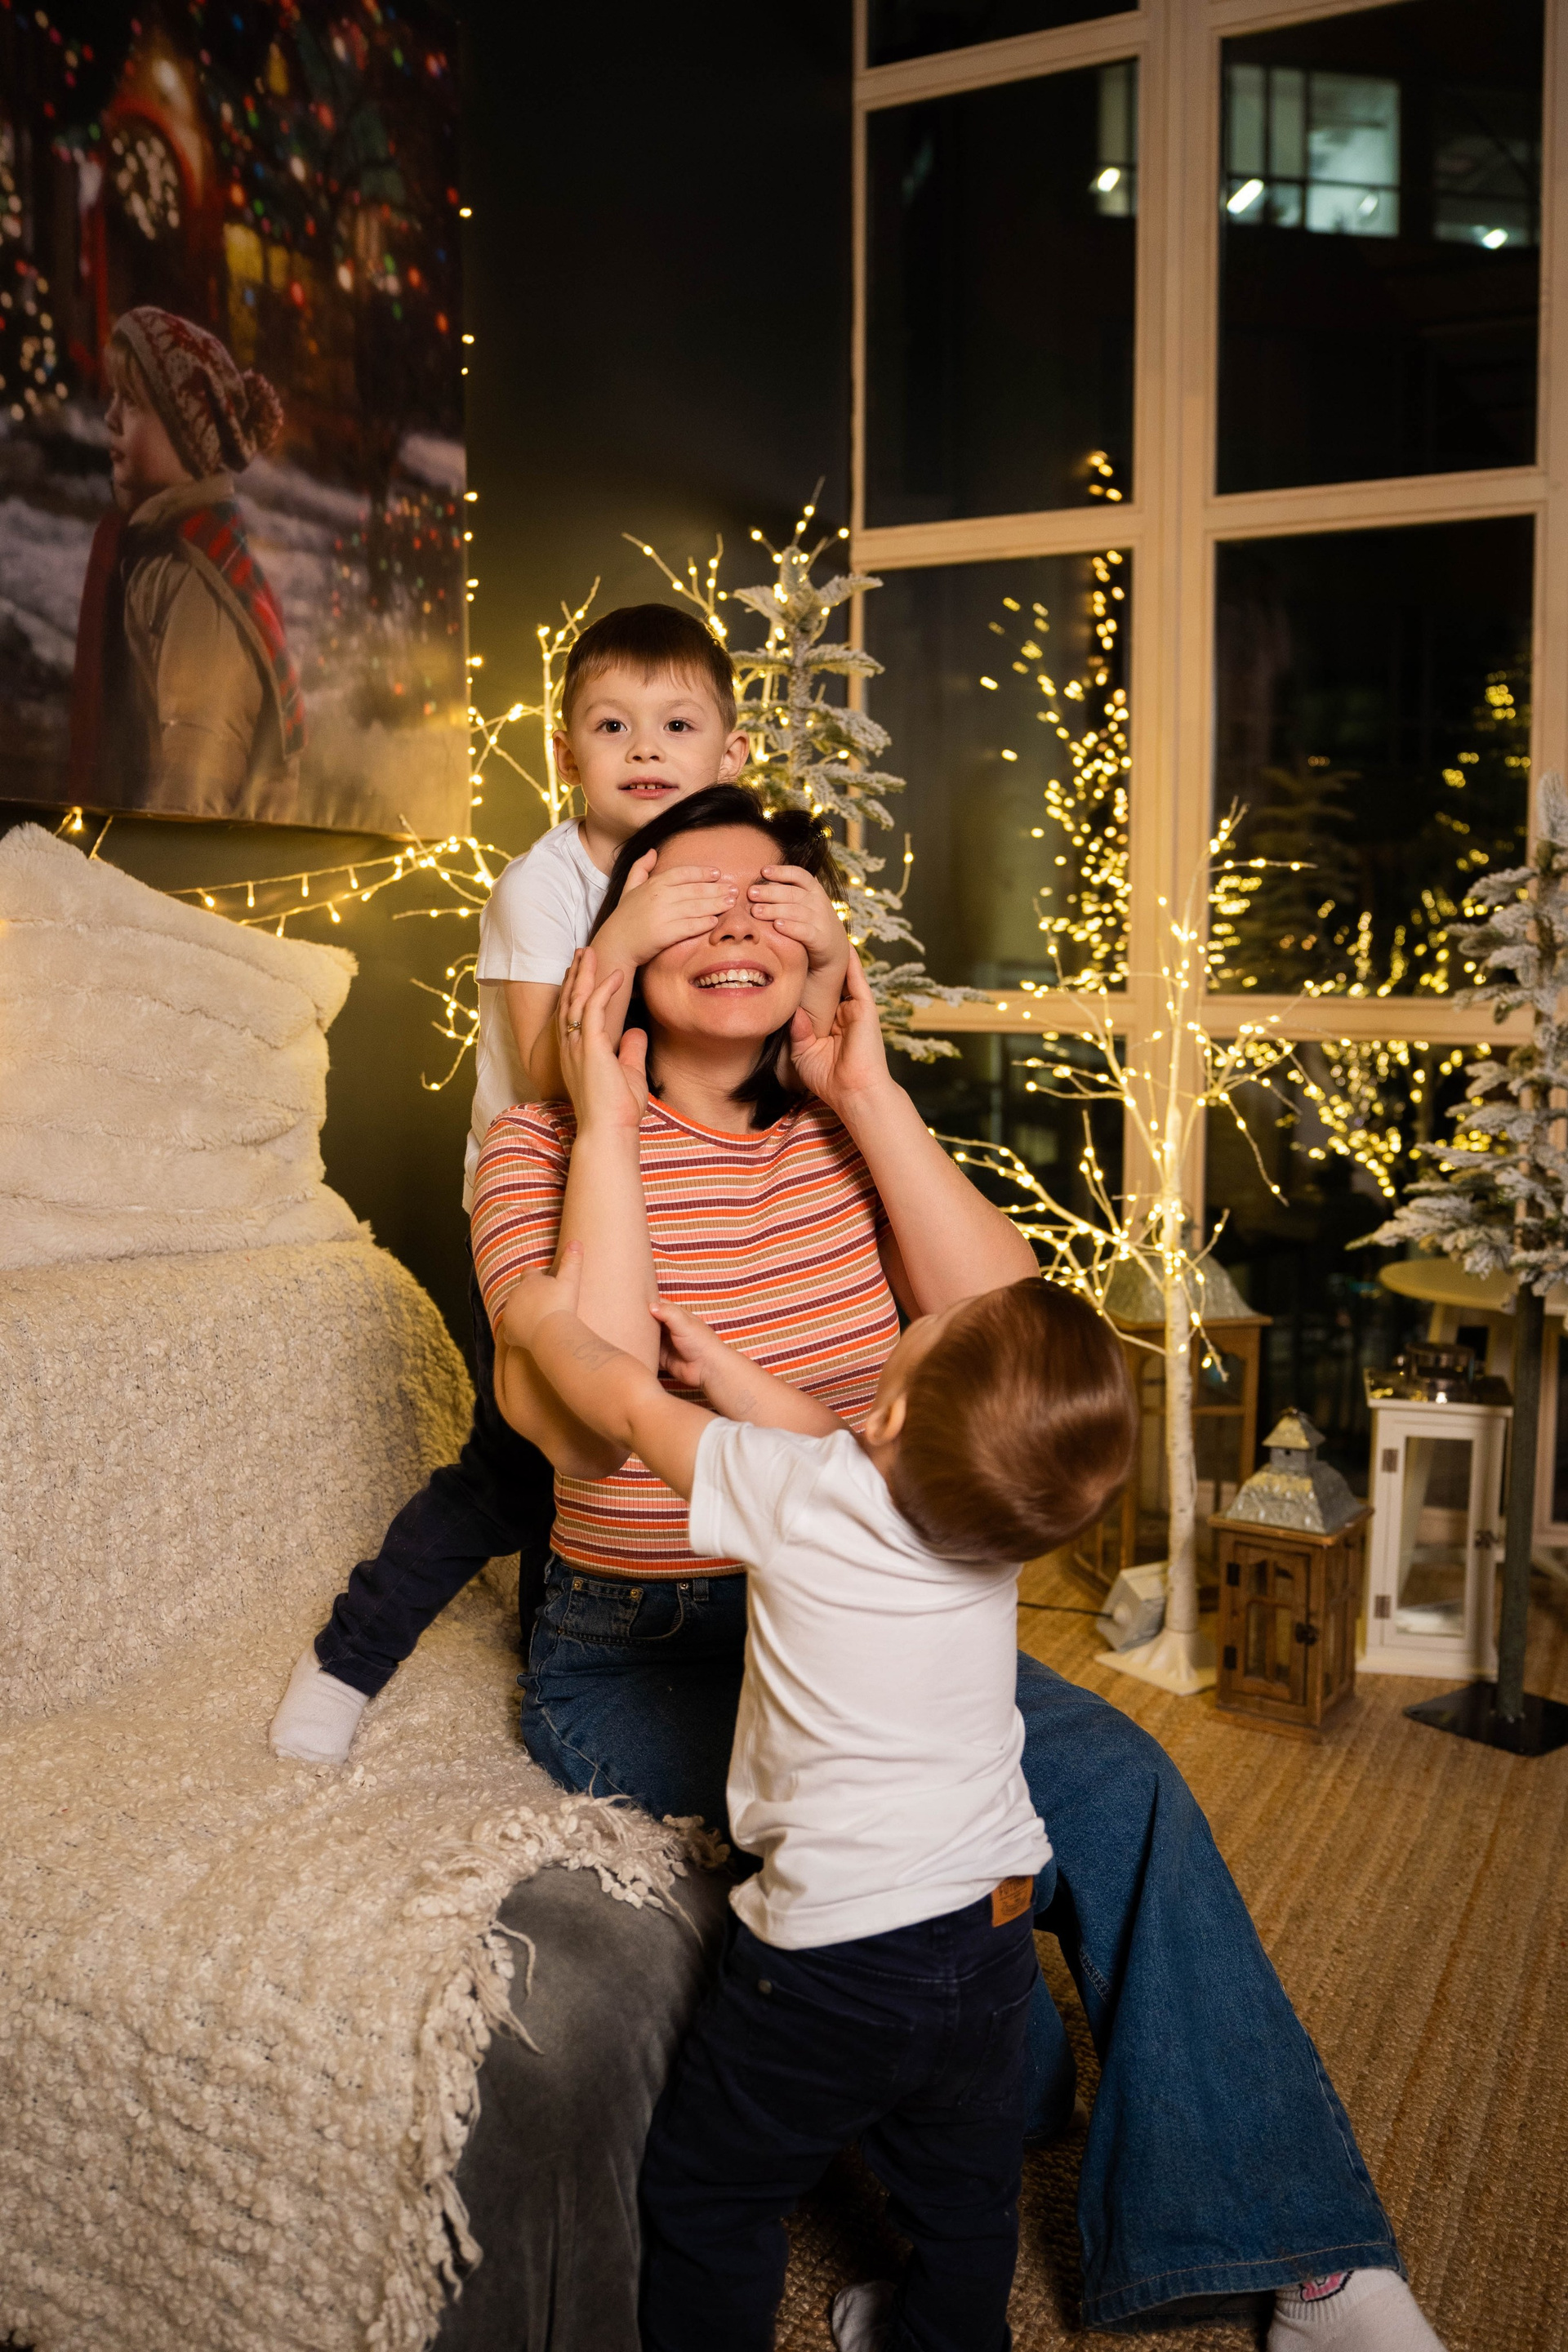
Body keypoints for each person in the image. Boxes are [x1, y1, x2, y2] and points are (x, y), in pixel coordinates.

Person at [470, 786, 1445, 2349]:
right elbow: (590, 1420)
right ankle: (996, 2083)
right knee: (922, 1914)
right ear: (616, 942)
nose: (735, 918)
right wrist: (601, 1099)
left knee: (1122, 1789)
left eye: (773, 896)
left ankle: (1307, 2260)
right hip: (650, 1639)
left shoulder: (842, 1132)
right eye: (688, 893)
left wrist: (864, 1088)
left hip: (876, 1604)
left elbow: (1010, 1347)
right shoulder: (537, 1146)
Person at [497, 940, 1139, 2350]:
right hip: (987, 1928)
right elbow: (846, 1449)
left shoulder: (793, 1497)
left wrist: (557, 1325)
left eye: (918, 1341)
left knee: (711, 2193)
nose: (914, 1325)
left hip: (830, 1955)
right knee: (965, 2203)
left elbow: (630, 1414)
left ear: (894, 1419)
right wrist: (738, 1373)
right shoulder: (988, 1524)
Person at [270, 617, 851, 1763]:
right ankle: (349, 1655)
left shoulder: (738, 869)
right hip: (542, 1204)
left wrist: (824, 953)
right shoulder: (544, 887)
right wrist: (622, 940)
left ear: (732, 755)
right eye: (613, 726)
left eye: (677, 725)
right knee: (514, 1471)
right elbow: (556, 1076)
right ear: (565, 752)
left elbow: (807, 1018)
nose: (647, 749)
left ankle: (562, 1635)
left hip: (673, 1185)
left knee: (623, 1467)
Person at [69, 306, 303, 820]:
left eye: (132, 402)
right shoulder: (155, 554)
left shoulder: (200, 590)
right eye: (113, 397)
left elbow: (191, 803)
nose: (110, 417)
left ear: (187, 432)